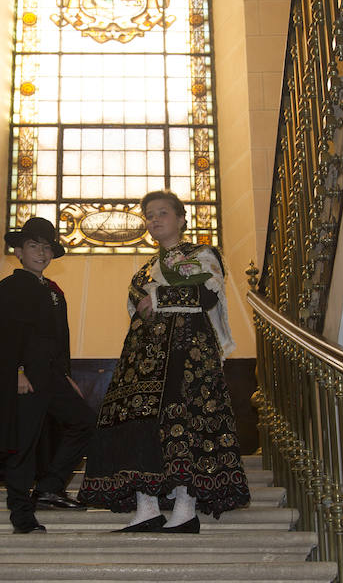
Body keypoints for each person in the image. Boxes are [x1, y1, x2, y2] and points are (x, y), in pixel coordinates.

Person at [78, 191, 250, 533]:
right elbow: (137, 306)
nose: (155, 219)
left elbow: (206, 295)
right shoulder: (144, 269)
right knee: (139, 427)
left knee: (182, 424)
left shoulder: (202, 254)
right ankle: (147, 509)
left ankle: (185, 509)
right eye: (149, 215)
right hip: (142, 362)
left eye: (162, 213)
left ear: (182, 219)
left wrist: (157, 296)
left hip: (186, 354)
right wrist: (151, 299)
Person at [0, 217, 95, 534]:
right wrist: (15, 371)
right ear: (19, 251)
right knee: (23, 443)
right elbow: (1, 338)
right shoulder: (11, 288)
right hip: (23, 373)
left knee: (84, 420)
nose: (41, 253)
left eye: (46, 247)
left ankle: (50, 486)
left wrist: (66, 375)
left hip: (52, 375)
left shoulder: (53, 291)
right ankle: (21, 514)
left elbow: (60, 339)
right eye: (34, 246)